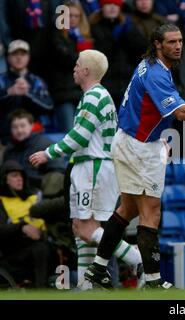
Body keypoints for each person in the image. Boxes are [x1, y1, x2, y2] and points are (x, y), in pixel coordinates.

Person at [81, 24, 185, 289]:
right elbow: (179, 113)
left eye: (180, 40)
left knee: (128, 209)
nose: (178, 46)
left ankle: (97, 269)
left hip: (135, 142)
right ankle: (154, 281)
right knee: (151, 212)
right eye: (171, 42)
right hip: (138, 147)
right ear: (158, 44)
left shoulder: (151, 64)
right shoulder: (156, 73)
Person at [29, 49, 142, 288]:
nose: (74, 68)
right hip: (94, 167)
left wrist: (47, 153)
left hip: (93, 168)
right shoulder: (97, 95)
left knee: (85, 228)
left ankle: (137, 259)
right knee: (82, 231)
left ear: (87, 71)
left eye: (77, 64)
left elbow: (80, 136)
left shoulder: (94, 96)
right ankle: (86, 285)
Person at [0, 160, 51, 288]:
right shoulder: (1, 201)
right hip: (12, 251)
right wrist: (22, 227)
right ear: (5, 179)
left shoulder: (34, 197)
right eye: (14, 175)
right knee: (40, 249)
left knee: (45, 247)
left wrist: (39, 232)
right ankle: (41, 290)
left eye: (21, 175)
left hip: (39, 242)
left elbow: (45, 222)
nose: (19, 179)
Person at [51, 0, 93, 133]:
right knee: (69, 135)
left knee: (85, 135)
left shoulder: (85, 37)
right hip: (64, 93)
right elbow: (66, 59)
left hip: (83, 92)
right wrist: (84, 53)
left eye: (76, 16)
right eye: (70, 16)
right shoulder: (56, 36)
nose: (73, 19)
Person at [0, 40, 53, 144]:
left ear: (28, 57)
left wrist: (28, 93)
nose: (19, 57)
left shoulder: (36, 81)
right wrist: (9, 93)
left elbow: (49, 106)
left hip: (34, 137)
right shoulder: (1, 79)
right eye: (15, 54)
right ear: (8, 57)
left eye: (23, 54)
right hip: (5, 138)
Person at [2, 109, 65, 189]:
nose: (19, 130)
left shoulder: (44, 144)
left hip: (40, 191)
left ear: (31, 125)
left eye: (22, 126)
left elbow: (58, 172)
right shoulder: (9, 150)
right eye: (15, 127)